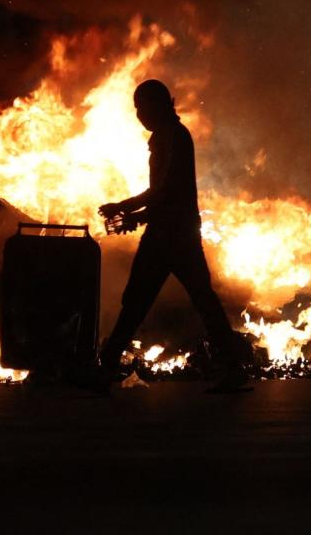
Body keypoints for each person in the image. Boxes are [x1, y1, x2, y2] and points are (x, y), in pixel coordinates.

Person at [96, 79, 250, 392]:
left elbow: (166, 191)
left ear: (160, 105)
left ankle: (107, 364)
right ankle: (109, 362)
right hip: (172, 233)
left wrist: (127, 209)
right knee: (174, 299)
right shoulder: (166, 137)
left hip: (173, 236)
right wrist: (136, 216)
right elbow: (163, 194)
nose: (140, 115)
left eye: (143, 107)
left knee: (146, 300)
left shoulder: (175, 138)